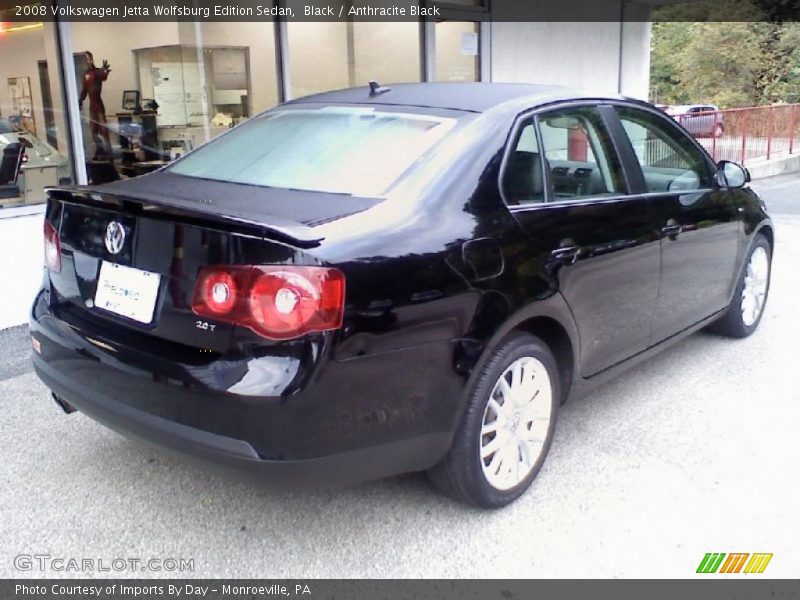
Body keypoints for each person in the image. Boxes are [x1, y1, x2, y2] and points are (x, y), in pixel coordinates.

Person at [79, 51, 113, 161]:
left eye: (89, 59)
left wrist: (105, 71)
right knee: (94, 132)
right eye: (86, 59)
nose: (88, 61)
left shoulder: (97, 72)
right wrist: (80, 99)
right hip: (91, 107)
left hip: (99, 106)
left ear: (92, 59)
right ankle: (99, 151)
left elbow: (103, 76)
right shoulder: (85, 75)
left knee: (104, 131)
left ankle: (108, 153)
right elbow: (84, 89)